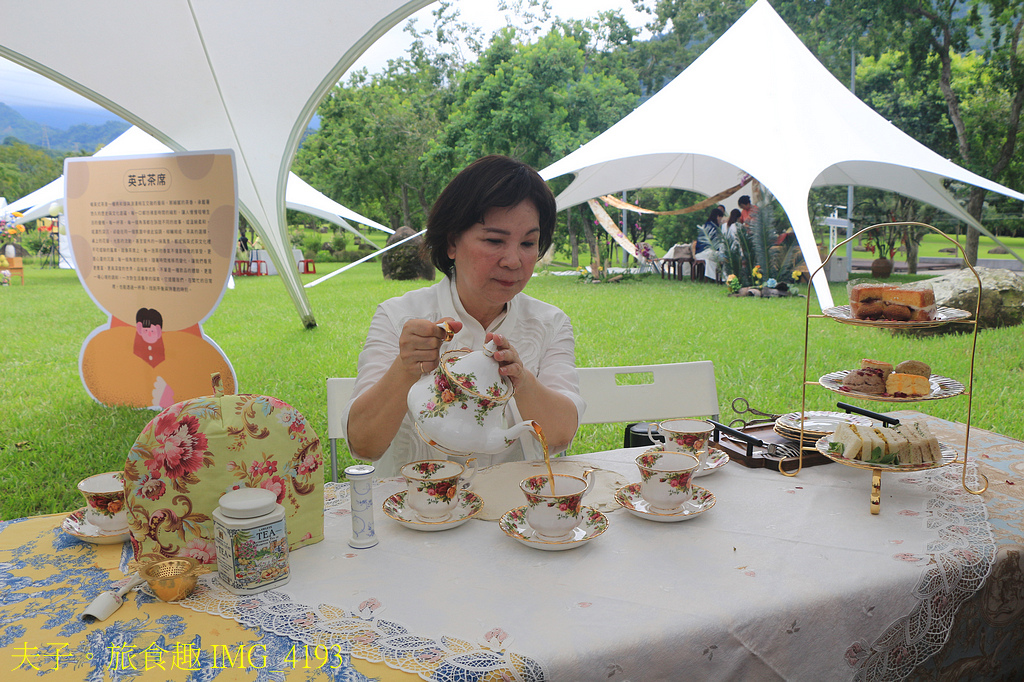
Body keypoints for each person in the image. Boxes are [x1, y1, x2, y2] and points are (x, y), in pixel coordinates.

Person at [342, 155, 585, 477]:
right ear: (452, 242)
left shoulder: (549, 323)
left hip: (513, 511)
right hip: (416, 513)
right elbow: (364, 445)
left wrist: (521, 380)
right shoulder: (399, 316)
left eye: (528, 242)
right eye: (494, 240)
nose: (514, 260)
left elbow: (560, 435)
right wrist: (404, 369)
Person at [691, 207, 724, 281]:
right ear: (718, 216)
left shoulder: (706, 225)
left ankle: (715, 278)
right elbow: (715, 243)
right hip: (705, 252)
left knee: (716, 258)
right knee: (724, 257)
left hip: (700, 253)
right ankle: (724, 278)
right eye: (721, 218)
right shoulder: (713, 227)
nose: (721, 221)